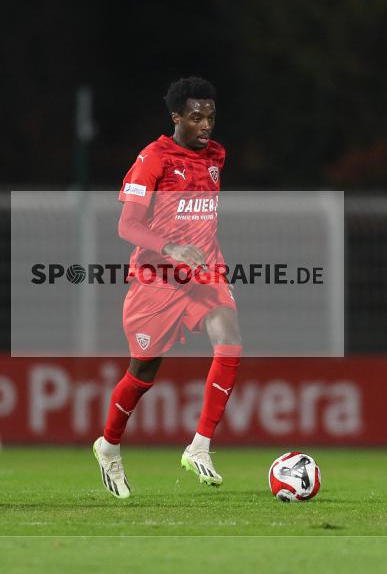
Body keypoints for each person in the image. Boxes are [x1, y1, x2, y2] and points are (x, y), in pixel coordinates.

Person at [92, 76, 242, 499]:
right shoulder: (153, 159)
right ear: (176, 117)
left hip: (203, 272)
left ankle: (200, 446)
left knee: (229, 337)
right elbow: (127, 225)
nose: (205, 125)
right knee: (143, 372)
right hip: (156, 279)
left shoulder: (216, 155)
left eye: (210, 117)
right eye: (196, 117)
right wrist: (171, 247)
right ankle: (109, 447)